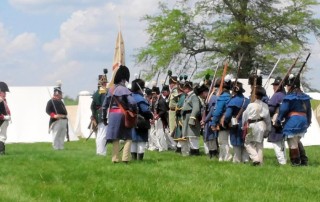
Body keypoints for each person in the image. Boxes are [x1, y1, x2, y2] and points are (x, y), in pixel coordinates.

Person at [102, 65, 137, 163]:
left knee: (115, 137)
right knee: (128, 137)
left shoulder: (110, 90)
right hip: (123, 115)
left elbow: (104, 106)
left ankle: (115, 159)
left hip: (112, 115)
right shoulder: (125, 89)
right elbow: (133, 102)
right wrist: (132, 110)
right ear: (123, 79)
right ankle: (125, 158)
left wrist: (104, 118)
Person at [276, 74, 311, 166]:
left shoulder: (289, 97)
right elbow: (308, 111)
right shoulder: (304, 97)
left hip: (293, 121)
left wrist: (278, 120)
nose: (286, 88)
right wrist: (308, 122)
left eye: (287, 86)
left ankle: (296, 162)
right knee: (297, 140)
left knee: (292, 143)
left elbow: (283, 110)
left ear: (290, 86)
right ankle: (303, 159)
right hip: (303, 121)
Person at [242, 86, 271, 166]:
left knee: (247, 143)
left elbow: (244, 116)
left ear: (255, 95)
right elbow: (268, 119)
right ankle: (260, 162)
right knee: (259, 144)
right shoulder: (265, 105)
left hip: (252, 125)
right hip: (262, 125)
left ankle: (255, 158)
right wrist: (268, 129)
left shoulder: (250, 105)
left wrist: (242, 126)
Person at [224, 81, 250, 163]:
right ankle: (245, 160)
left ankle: (237, 160)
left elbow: (227, 115)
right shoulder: (247, 100)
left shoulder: (233, 101)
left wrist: (225, 122)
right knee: (245, 142)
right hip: (246, 124)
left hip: (236, 124)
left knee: (236, 143)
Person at [210, 75, 233, 161]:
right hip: (227, 120)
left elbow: (218, 112)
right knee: (222, 140)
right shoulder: (229, 96)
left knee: (222, 141)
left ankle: (227, 156)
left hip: (222, 121)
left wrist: (213, 123)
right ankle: (222, 157)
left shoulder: (223, 97)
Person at [131, 79, 153, 160]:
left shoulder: (130, 96)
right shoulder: (140, 98)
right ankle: (139, 160)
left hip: (132, 121)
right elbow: (145, 110)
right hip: (141, 121)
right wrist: (151, 116)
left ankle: (133, 158)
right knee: (141, 141)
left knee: (133, 141)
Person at [267, 76, 287, 165]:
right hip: (285, 121)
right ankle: (284, 161)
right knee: (281, 143)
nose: (274, 87)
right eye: (274, 85)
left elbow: (270, 110)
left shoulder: (277, 95)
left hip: (276, 121)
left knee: (275, 142)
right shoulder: (286, 95)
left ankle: (282, 162)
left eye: (276, 85)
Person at [180, 81, 202, 156]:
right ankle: (191, 152)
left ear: (188, 88)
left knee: (193, 136)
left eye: (184, 88)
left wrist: (192, 118)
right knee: (189, 136)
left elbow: (196, 108)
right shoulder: (189, 96)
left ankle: (195, 152)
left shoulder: (193, 96)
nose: (183, 89)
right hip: (187, 117)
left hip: (191, 117)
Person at [90, 74, 108, 156]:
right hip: (102, 114)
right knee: (103, 135)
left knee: (100, 134)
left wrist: (94, 115)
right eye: (105, 83)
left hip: (97, 114)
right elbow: (105, 105)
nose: (106, 84)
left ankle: (99, 151)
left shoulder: (96, 93)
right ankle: (101, 152)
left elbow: (92, 107)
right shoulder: (103, 91)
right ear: (103, 83)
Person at [0, 81, 11, 155]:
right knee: (3, 136)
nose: (5, 93)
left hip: (4, 120)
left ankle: (1, 150)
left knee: (3, 136)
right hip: (2, 119)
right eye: (4, 92)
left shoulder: (3, 100)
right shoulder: (0, 100)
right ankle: (1, 151)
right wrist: (5, 117)